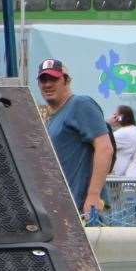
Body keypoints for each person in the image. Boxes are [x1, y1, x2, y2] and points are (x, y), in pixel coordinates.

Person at [37, 57, 114, 221]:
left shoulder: (80, 104)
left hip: (86, 213)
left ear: (66, 80)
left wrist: (93, 195)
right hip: (66, 214)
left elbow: (105, 148)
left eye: (53, 78)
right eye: (43, 80)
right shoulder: (53, 119)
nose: (47, 84)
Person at [109, 104, 136, 179]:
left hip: (127, 182)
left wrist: (108, 123)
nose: (113, 116)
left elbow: (103, 141)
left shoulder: (125, 132)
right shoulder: (132, 130)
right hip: (130, 181)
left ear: (120, 117)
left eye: (115, 115)